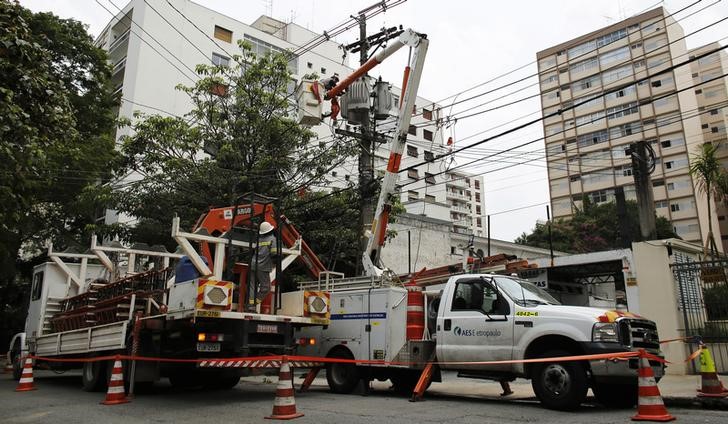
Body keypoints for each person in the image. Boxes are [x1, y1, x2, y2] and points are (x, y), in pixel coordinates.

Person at [250, 221, 278, 311]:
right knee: (266, 288)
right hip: (263, 266)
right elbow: (274, 253)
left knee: (252, 286)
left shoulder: (258, 239)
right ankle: (254, 303)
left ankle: (250, 305)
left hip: (253, 264)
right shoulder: (272, 239)